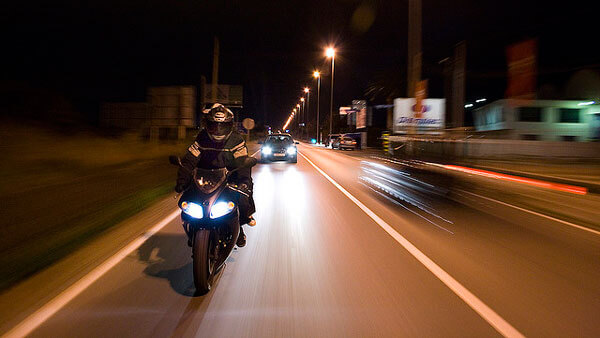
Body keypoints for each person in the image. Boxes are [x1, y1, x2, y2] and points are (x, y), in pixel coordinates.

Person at [175, 103, 256, 247]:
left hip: (231, 175)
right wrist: (182, 181)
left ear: (230, 125)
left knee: (243, 198)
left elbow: (243, 162)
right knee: (187, 200)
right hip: (204, 176)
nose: (218, 131)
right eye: (213, 126)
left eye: (222, 126)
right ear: (207, 124)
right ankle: (192, 229)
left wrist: (244, 183)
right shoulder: (202, 138)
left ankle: (241, 225)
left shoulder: (236, 140)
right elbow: (189, 160)